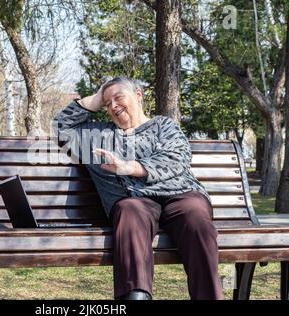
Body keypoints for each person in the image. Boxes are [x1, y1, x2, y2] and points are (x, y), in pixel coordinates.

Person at [53, 77, 223, 300]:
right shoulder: (96, 136)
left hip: (179, 194)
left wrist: (129, 167)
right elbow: (60, 127)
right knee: (130, 210)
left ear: (138, 95)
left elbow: (176, 158)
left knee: (194, 214)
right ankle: (135, 297)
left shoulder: (163, 125)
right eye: (107, 104)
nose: (113, 106)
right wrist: (97, 98)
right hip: (133, 201)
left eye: (118, 98)